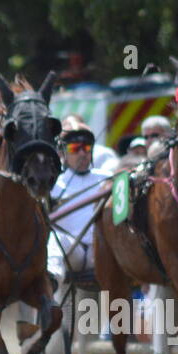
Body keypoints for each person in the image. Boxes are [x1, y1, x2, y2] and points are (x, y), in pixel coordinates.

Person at [48, 120, 111, 282]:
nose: (82, 153)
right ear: (64, 153)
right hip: (72, 251)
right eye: (76, 148)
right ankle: (52, 278)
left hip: (101, 250)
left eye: (87, 148)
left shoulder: (107, 178)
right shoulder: (53, 183)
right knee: (56, 237)